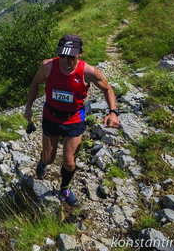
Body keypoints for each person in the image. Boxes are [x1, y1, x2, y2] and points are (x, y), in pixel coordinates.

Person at [24, 34, 121, 206]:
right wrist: (29, 107)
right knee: (49, 158)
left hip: (74, 119)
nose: (65, 60)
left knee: (69, 163)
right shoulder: (47, 66)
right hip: (51, 116)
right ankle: (42, 162)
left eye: (71, 56)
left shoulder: (88, 72)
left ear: (80, 53)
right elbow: (35, 83)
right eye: (62, 55)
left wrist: (113, 112)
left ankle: (65, 188)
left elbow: (107, 88)